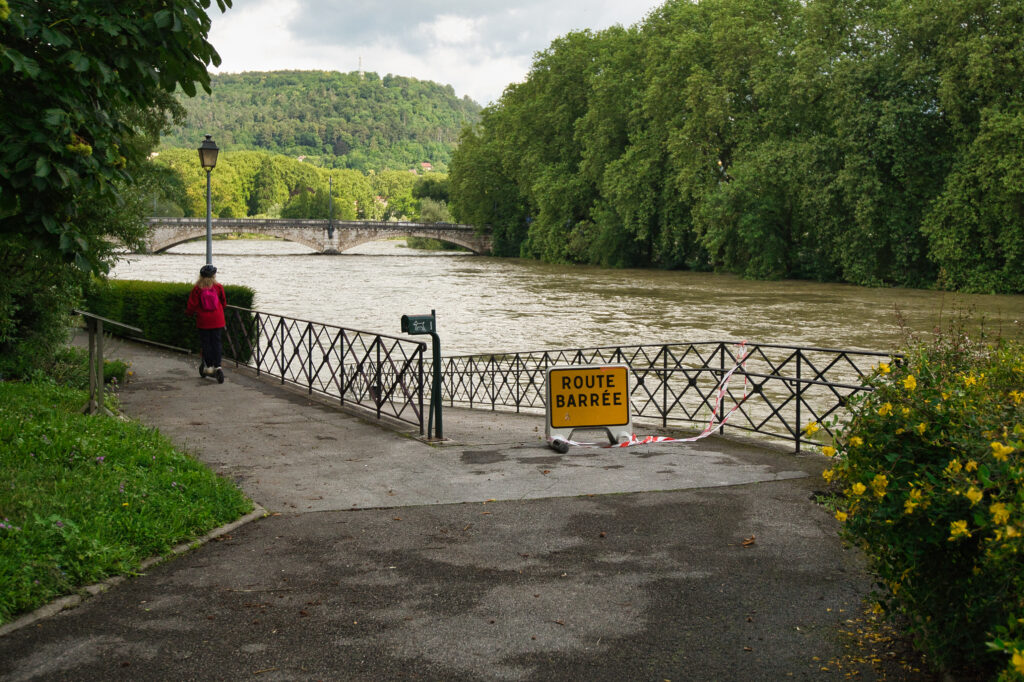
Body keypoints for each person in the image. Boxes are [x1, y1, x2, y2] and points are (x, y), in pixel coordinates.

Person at [186, 264, 227, 384]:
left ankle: (209, 366)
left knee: (206, 343)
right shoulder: (218, 287)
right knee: (217, 342)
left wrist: (188, 313)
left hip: (203, 320)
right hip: (217, 319)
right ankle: (218, 366)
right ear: (214, 275)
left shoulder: (197, 288)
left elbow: (191, 305)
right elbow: (224, 302)